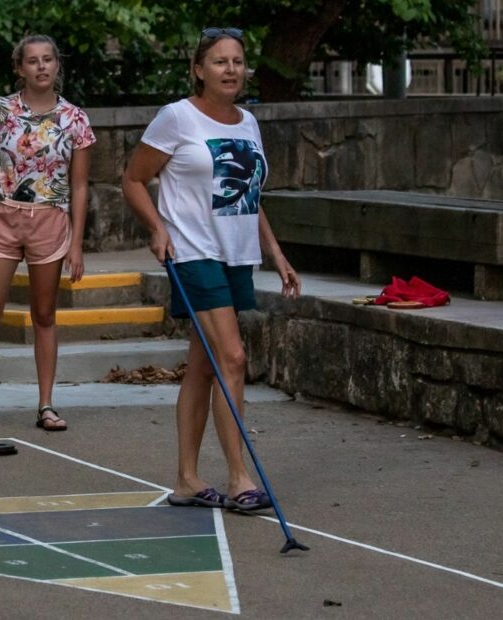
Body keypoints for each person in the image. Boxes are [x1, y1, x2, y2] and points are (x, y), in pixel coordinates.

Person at [121, 27, 301, 511]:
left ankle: (185, 478)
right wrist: (157, 228)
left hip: (236, 254)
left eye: (238, 62)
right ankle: (241, 478)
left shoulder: (248, 123)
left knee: (203, 366)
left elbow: (249, 195)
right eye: (220, 62)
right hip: (193, 252)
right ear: (199, 70)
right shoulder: (177, 118)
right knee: (233, 359)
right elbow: (134, 179)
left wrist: (276, 253)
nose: (231, 70)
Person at [0, 34, 94, 434]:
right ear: (19, 68)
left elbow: (79, 186)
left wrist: (76, 243)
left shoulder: (75, 119)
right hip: (4, 215)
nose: (41, 66)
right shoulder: (2, 110)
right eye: (32, 61)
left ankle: (46, 404)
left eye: (48, 60)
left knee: (44, 314)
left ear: (58, 66)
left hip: (49, 220)